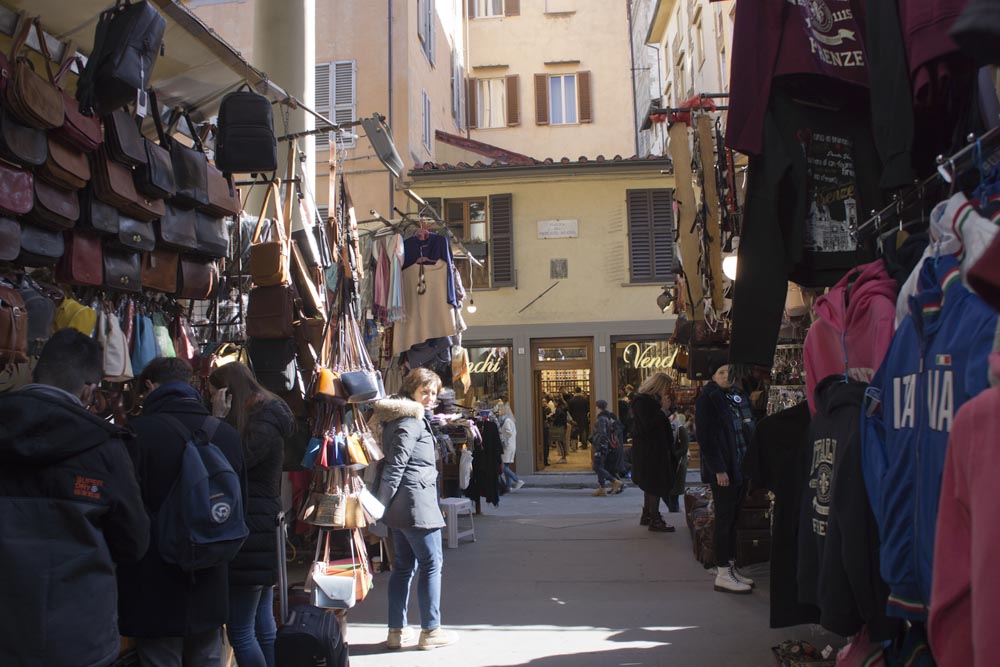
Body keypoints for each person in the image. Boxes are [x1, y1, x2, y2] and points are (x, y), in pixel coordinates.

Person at [0, 329, 150, 667]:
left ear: (37, 371)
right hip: (79, 637)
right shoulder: (104, 447)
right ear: (89, 388)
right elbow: (133, 543)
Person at [117, 357, 247, 667]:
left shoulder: (136, 434)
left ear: (150, 386)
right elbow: (240, 507)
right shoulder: (225, 436)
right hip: (209, 579)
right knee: (207, 658)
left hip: (152, 583)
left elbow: (124, 513)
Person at [209, 362, 295, 667]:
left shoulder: (260, 425)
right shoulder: (266, 417)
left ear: (228, 394)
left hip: (251, 524)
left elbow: (233, 461)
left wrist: (217, 421)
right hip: (262, 521)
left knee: (242, 631)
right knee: (261, 624)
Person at [373, 368, 458, 651]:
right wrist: (379, 504)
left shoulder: (399, 419)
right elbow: (396, 465)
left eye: (434, 393)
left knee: (403, 568)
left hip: (402, 507)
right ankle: (431, 630)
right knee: (432, 565)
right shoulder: (410, 422)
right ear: (411, 391)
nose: (431, 398)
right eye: (425, 392)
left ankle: (397, 630)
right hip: (416, 505)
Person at [696, 363, 756, 595]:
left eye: (729, 371)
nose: (726, 376)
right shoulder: (708, 398)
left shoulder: (737, 395)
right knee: (724, 520)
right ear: (712, 375)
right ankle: (722, 572)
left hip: (739, 465)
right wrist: (719, 469)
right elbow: (706, 438)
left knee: (733, 520)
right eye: (721, 372)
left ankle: (730, 566)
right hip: (724, 470)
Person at [629, 372, 678, 533]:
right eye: (666, 387)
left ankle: (648, 514)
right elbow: (648, 426)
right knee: (655, 483)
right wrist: (663, 410)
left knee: (650, 483)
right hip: (650, 450)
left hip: (654, 448)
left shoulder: (649, 401)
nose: (667, 390)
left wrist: (668, 409)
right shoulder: (642, 402)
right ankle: (655, 518)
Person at [590, 400, 625, 496]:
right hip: (605, 446)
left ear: (598, 407)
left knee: (597, 467)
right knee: (600, 466)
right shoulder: (607, 418)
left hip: (601, 446)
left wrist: (597, 443)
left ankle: (614, 481)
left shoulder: (601, 419)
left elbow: (602, 434)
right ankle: (602, 487)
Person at [665, 409, 691, 513]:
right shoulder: (668, 429)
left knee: (673, 495)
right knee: (667, 493)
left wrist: (673, 455)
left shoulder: (680, 429)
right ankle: (675, 511)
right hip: (669, 465)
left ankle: (674, 513)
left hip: (678, 465)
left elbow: (684, 448)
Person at [498, 403, 524, 491]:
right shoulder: (510, 420)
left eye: (500, 410)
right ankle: (508, 486)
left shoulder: (507, 421)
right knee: (506, 466)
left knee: (503, 467)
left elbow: (508, 433)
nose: (499, 411)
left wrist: (502, 438)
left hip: (507, 446)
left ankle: (517, 480)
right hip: (510, 446)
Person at [550, 398, 570, 464]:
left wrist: (551, 418)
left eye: (554, 402)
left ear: (557, 402)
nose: (554, 404)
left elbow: (556, 419)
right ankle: (564, 456)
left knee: (561, 442)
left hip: (559, 426)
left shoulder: (558, 410)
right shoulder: (563, 408)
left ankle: (563, 457)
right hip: (563, 426)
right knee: (562, 442)